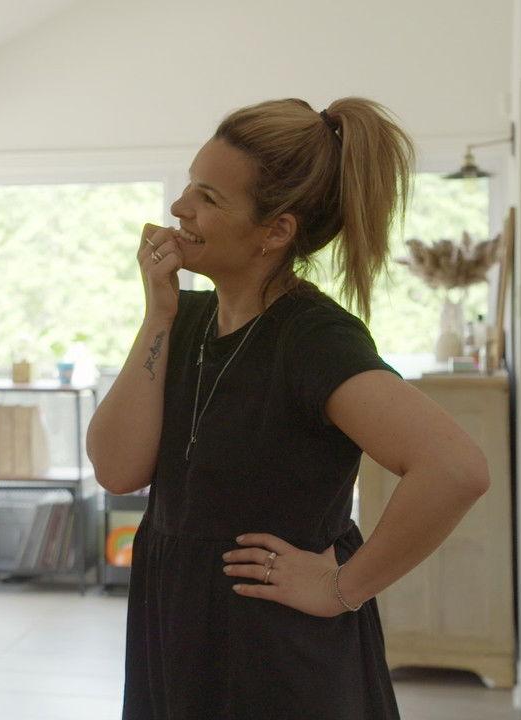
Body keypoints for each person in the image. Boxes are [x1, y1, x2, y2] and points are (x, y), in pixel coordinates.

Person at [86, 97, 490, 719]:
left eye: (208, 198)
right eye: (190, 185)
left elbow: (456, 468)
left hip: (275, 656)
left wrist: (341, 587)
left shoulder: (313, 338)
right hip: (178, 632)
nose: (180, 208)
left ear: (275, 232)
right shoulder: (183, 319)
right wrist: (158, 314)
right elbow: (116, 470)